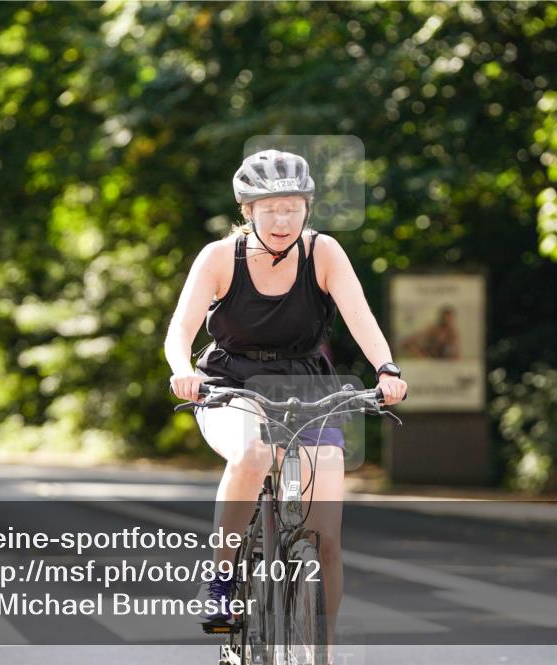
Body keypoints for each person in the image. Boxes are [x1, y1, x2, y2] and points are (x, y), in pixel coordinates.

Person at [165, 150, 408, 657]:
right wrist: (182, 370)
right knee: (252, 454)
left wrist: (386, 368)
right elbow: (180, 330)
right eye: (271, 209)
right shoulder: (220, 258)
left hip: (307, 386)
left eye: (293, 208)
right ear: (248, 210)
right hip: (231, 383)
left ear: (307, 208)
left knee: (326, 538)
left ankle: (324, 650)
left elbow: (360, 317)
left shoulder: (324, 253)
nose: (283, 220)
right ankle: (222, 582)